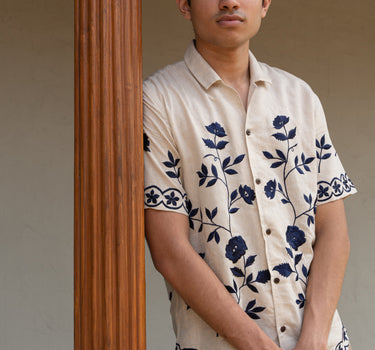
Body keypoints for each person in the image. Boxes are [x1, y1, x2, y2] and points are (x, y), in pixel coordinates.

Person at [143, 0, 357, 349]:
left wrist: (315, 339)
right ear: (184, 4)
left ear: (265, 4)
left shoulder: (300, 97)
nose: (229, 2)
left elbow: (334, 230)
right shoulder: (158, 101)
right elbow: (169, 250)